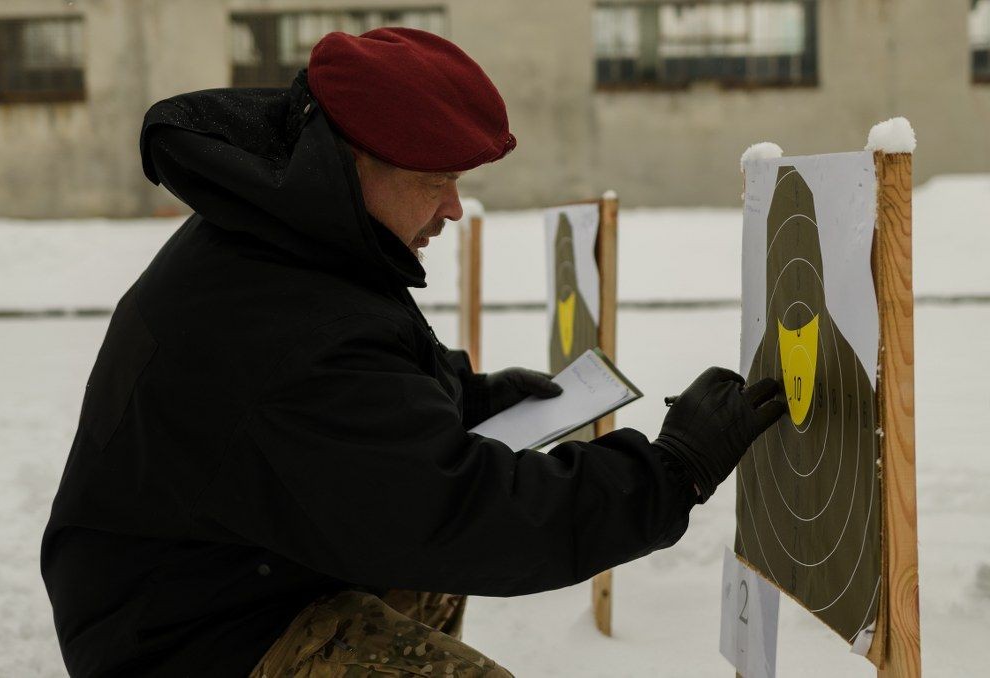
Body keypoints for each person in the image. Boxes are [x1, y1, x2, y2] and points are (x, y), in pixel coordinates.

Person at [40, 28, 785, 677]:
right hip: (180, 639)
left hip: (228, 574)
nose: (454, 208)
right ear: (354, 162)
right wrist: (672, 471)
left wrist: (465, 394)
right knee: (440, 566)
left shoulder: (288, 223)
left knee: (426, 567)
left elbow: (357, 400)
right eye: (437, 181)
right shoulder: (288, 319)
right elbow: (461, 515)